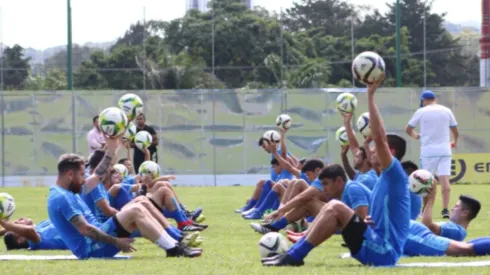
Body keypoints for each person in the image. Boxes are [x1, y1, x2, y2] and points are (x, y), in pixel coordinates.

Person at [262, 74, 411, 267]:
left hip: (384, 252)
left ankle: (294, 255)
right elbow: (363, 146)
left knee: (335, 206)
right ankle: (292, 252)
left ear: (390, 152)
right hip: (374, 243)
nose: (371, 150)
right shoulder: (382, 178)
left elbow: (380, 137)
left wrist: (371, 95)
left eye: (375, 148)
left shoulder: (394, 174)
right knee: (333, 207)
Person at [47, 138, 202, 259]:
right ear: (70, 175)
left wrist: (113, 146)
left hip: (98, 237)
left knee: (140, 204)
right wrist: (116, 242)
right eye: (81, 175)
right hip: (91, 248)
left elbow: (97, 174)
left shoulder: (68, 190)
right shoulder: (62, 198)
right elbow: (85, 229)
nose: (84, 179)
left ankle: (175, 243)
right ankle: (174, 248)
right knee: (135, 209)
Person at [251, 164, 371, 237]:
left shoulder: (352, 188)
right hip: (348, 223)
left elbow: (360, 225)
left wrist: (281, 210)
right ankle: (276, 226)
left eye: (326, 185)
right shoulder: (343, 187)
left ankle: (277, 224)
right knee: (303, 194)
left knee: (305, 197)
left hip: (364, 230)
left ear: (339, 181)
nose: (323, 189)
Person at [405, 90, 459, 219]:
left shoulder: (421, 112)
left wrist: (415, 136)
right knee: (445, 179)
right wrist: (454, 142)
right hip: (445, 150)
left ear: (423, 100)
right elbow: (456, 131)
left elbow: (408, 129)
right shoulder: (447, 110)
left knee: (425, 181)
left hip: (428, 152)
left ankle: (425, 209)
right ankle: (445, 209)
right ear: (435, 99)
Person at [403, 182, 490, 257]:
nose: (452, 209)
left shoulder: (457, 230)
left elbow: (427, 225)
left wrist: (431, 199)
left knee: (464, 248)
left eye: (456, 206)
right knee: (466, 245)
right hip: (411, 230)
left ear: (465, 213)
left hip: (411, 232)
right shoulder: (456, 230)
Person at [341, 113, 378, 190]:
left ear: (367, 159)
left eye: (357, 156)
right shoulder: (360, 175)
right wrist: (347, 123)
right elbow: (354, 147)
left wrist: (367, 143)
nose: (354, 158)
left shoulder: (371, 175)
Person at [1, 218, 67, 250]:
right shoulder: (35, 243)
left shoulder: (38, 227)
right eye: (17, 226)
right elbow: (29, 230)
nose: (16, 221)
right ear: (21, 239)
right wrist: (4, 223)